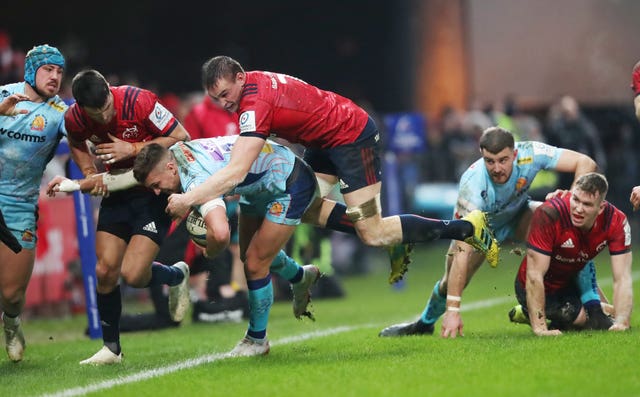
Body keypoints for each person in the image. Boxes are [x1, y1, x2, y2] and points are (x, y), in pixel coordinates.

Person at [163, 55, 499, 285]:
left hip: (350, 136)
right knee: (305, 206)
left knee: (373, 233)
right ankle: (396, 238)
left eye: (225, 94)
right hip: (324, 139)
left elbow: (237, 171)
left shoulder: (254, 102)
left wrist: (190, 197)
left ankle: (466, 227)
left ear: (240, 78)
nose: (223, 103)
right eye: (215, 99)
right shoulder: (251, 89)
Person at [379, 126, 601, 338]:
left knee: (564, 226)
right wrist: (453, 311)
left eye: (503, 160)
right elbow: (462, 249)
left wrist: (572, 198)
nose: (497, 168)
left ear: (514, 154)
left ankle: (594, 305)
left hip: (519, 215)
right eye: (490, 161)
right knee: (452, 283)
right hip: (482, 230)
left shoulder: (530, 153)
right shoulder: (472, 186)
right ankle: (424, 324)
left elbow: (586, 163)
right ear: (481, 155)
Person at [132, 137, 327, 356]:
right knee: (248, 255)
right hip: (261, 181)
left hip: (289, 180)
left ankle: (257, 339)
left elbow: (221, 233)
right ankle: (300, 277)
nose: (158, 192)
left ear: (170, 168)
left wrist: (211, 251)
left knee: (255, 264)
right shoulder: (176, 151)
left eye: (157, 185)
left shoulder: (195, 179)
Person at [46, 69, 190, 365]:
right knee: (105, 271)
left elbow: (180, 136)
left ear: (111, 93)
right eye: (95, 113)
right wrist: (89, 173)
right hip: (116, 189)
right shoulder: (74, 118)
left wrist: (135, 148)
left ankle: (176, 275)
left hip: (153, 189)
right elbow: (75, 142)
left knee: (135, 274)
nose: (103, 116)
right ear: (81, 108)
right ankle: (112, 349)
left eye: (107, 108)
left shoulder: (140, 101)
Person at [0, 44, 67, 362]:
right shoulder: (2, 94)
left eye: (59, 71)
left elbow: (83, 141)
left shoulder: (61, 113)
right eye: (48, 69)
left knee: (12, 294)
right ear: (30, 71)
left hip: (20, 205)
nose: (55, 77)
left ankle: (11, 322)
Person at [514, 172, 632, 335]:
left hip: (570, 281)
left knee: (604, 320)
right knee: (586, 320)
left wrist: (622, 322)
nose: (578, 209)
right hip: (534, 286)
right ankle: (529, 311)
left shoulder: (616, 221)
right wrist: (540, 328)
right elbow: (534, 275)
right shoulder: (550, 213)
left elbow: (622, 277)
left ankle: (576, 313)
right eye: (575, 200)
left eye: (587, 204)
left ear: (601, 208)